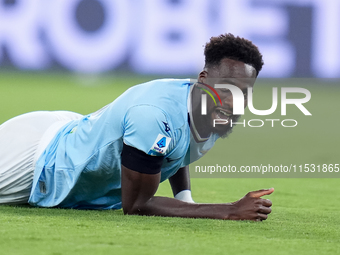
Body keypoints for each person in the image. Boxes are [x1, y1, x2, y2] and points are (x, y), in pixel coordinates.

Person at [0, 33, 274, 221]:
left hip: (76, 131)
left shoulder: (208, 106)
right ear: (203, 79)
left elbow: (176, 145)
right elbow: (137, 204)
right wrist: (230, 210)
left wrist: (185, 197)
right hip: (37, 157)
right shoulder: (154, 115)